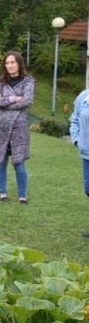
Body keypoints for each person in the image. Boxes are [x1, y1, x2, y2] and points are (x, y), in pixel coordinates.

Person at [0, 51, 34, 204]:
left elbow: (27, 101)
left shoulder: (28, 81)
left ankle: (22, 195)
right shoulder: (0, 82)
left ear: (19, 63)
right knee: (1, 161)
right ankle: (2, 192)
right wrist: (14, 98)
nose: (9, 66)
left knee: (19, 163)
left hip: (19, 129)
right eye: (7, 63)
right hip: (1, 127)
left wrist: (5, 101)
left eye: (12, 62)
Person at [69, 90, 89, 237]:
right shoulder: (83, 97)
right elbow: (75, 119)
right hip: (87, 152)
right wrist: (77, 139)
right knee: (88, 189)